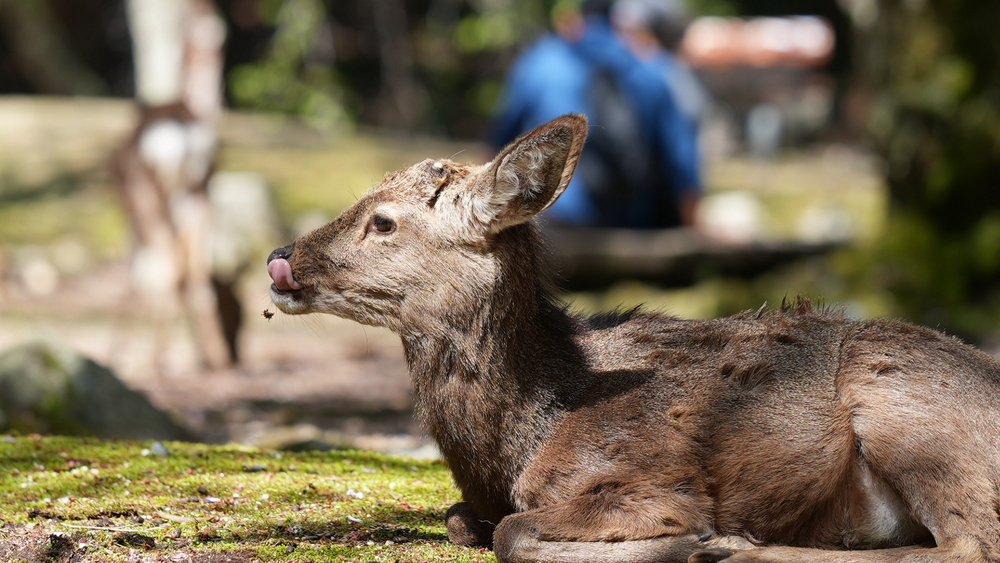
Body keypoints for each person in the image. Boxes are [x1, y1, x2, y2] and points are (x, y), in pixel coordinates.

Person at [492, 0, 701, 228]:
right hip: (631, 225)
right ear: (616, 18)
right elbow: (682, 166)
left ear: (577, 16)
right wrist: (692, 235)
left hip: (554, 224)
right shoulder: (651, 69)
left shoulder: (540, 62)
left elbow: (498, 148)